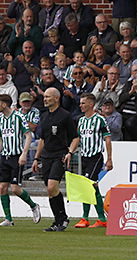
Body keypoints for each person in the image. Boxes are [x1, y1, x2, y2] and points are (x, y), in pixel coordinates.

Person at [32, 88, 79, 232]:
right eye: (44, 97)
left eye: (48, 97)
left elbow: (75, 138)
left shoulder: (65, 116)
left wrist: (70, 152)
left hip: (60, 155)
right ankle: (58, 220)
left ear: (56, 98)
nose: (45, 99)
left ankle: (62, 217)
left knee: (52, 186)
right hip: (46, 156)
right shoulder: (44, 116)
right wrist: (36, 158)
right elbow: (42, 139)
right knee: (50, 190)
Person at [0, 94, 41, 226]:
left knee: (15, 188)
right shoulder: (0, 118)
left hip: (16, 156)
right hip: (4, 156)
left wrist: (24, 154)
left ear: (4, 104)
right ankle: (8, 219)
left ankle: (34, 206)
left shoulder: (19, 116)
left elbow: (28, 135)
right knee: (2, 188)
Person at [73, 93, 112, 228]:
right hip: (84, 156)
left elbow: (107, 139)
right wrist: (70, 152)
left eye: (83, 103)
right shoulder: (81, 121)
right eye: (80, 103)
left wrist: (109, 159)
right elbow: (77, 138)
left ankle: (85, 218)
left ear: (91, 104)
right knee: (93, 187)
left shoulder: (99, 119)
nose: (81, 105)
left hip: (95, 157)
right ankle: (101, 218)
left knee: (87, 185)